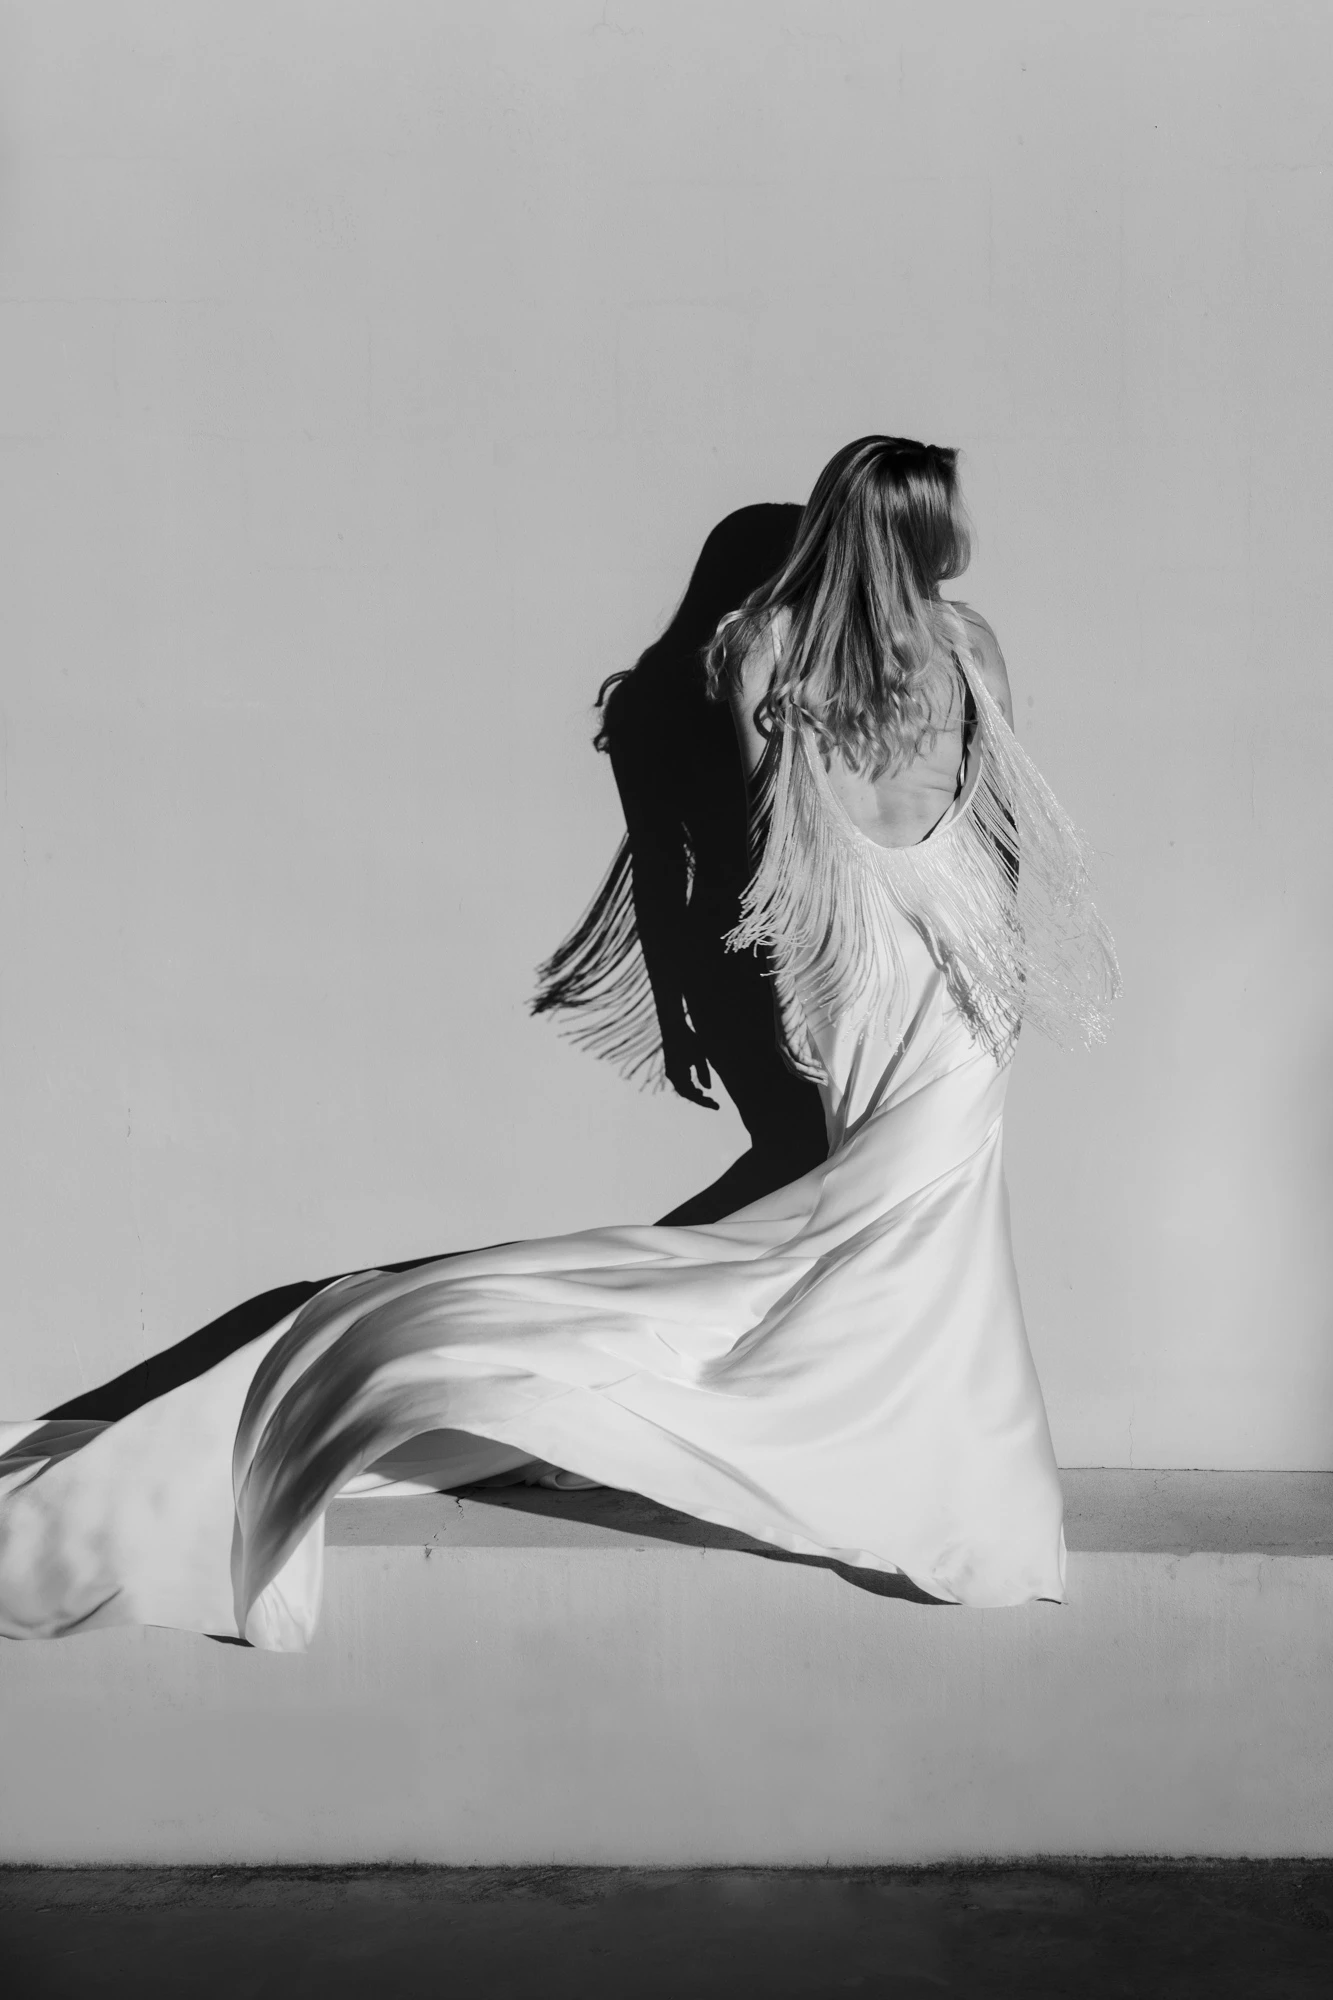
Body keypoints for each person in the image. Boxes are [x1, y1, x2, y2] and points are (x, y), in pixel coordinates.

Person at [0, 436, 1118, 1651]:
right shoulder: (962, 646)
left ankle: (931, 1456)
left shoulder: (759, 648)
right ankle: (928, 1475)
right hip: (947, 960)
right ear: (921, 529)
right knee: (910, 1212)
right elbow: (988, 830)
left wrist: (762, 991)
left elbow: (745, 856)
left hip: (870, 962)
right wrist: (965, 955)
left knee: (909, 1218)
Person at [533, 502, 829, 1224]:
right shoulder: (775, 692)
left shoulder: (648, 697)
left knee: (801, 1156)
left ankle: (646, 1286)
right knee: (810, 1157)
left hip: (720, 959)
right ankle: (630, 1281)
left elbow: (659, 872)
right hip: (789, 952)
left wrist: (675, 1014)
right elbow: (661, 870)